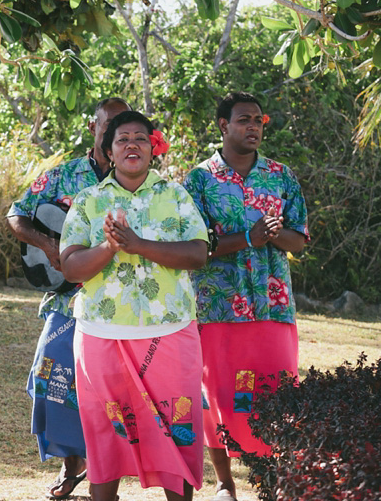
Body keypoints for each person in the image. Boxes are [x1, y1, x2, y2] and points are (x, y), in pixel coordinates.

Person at [58, 111, 209, 501]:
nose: (132, 145)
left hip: (171, 329)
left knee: (178, 429)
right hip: (100, 333)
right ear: (108, 151)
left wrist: (138, 244)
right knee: (105, 431)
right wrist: (109, 247)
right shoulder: (90, 200)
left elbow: (198, 254)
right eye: (122, 139)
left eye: (140, 138)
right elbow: (72, 267)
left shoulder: (175, 195)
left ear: (151, 148)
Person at [183, 92, 308, 501]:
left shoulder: (281, 176)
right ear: (223, 126)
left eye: (258, 120)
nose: (253, 126)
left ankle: (270, 475)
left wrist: (274, 235)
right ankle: (225, 483)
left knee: (275, 391)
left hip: (272, 305)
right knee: (217, 395)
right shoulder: (199, 179)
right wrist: (247, 238)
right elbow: (194, 245)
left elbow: (300, 240)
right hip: (219, 305)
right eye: (243, 120)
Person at [6, 97, 129, 499]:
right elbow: (16, 213)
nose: (114, 133)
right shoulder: (65, 175)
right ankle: (71, 463)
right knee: (52, 374)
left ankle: (103, 469)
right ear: (93, 127)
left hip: (121, 306)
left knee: (110, 390)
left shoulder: (138, 178)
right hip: (66, 299)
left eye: (123, 126)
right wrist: (48, 244)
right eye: (107, 125)